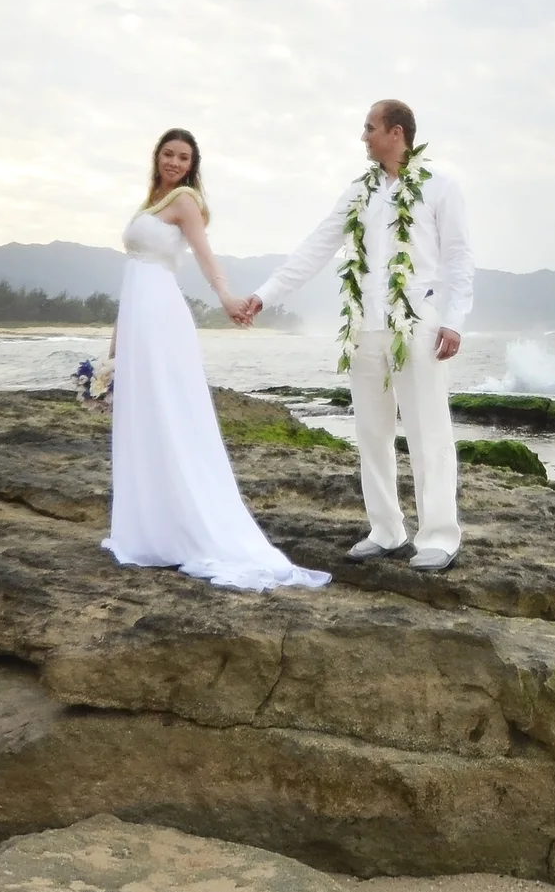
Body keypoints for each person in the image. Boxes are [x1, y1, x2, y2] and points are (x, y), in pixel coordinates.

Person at [234, 99, 474, 572]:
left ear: (397, 133)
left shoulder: (440, 186)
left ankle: (440, 536)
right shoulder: (359, 192)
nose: (363, 137)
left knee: (428, 431)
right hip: (364, 327)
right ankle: (386, 529)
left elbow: (460, 258)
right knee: (371, 432)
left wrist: (454, 319)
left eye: (370, 128)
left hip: (418, 326)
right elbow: (316, 246)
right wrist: (265, 295)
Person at [104, 127, 329, 592]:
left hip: (162, 317)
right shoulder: (151, 203)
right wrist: (115, 342)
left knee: (171, 414)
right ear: (157, 156)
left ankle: (189, 527)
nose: (174, 162)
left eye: (183, 157)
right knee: (143, 416)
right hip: (137, 317)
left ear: (192, 165)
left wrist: (226, 296)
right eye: (168, 154)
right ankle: (149, 528)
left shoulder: (185, 201)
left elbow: (205, 258)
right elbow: (132, 275)